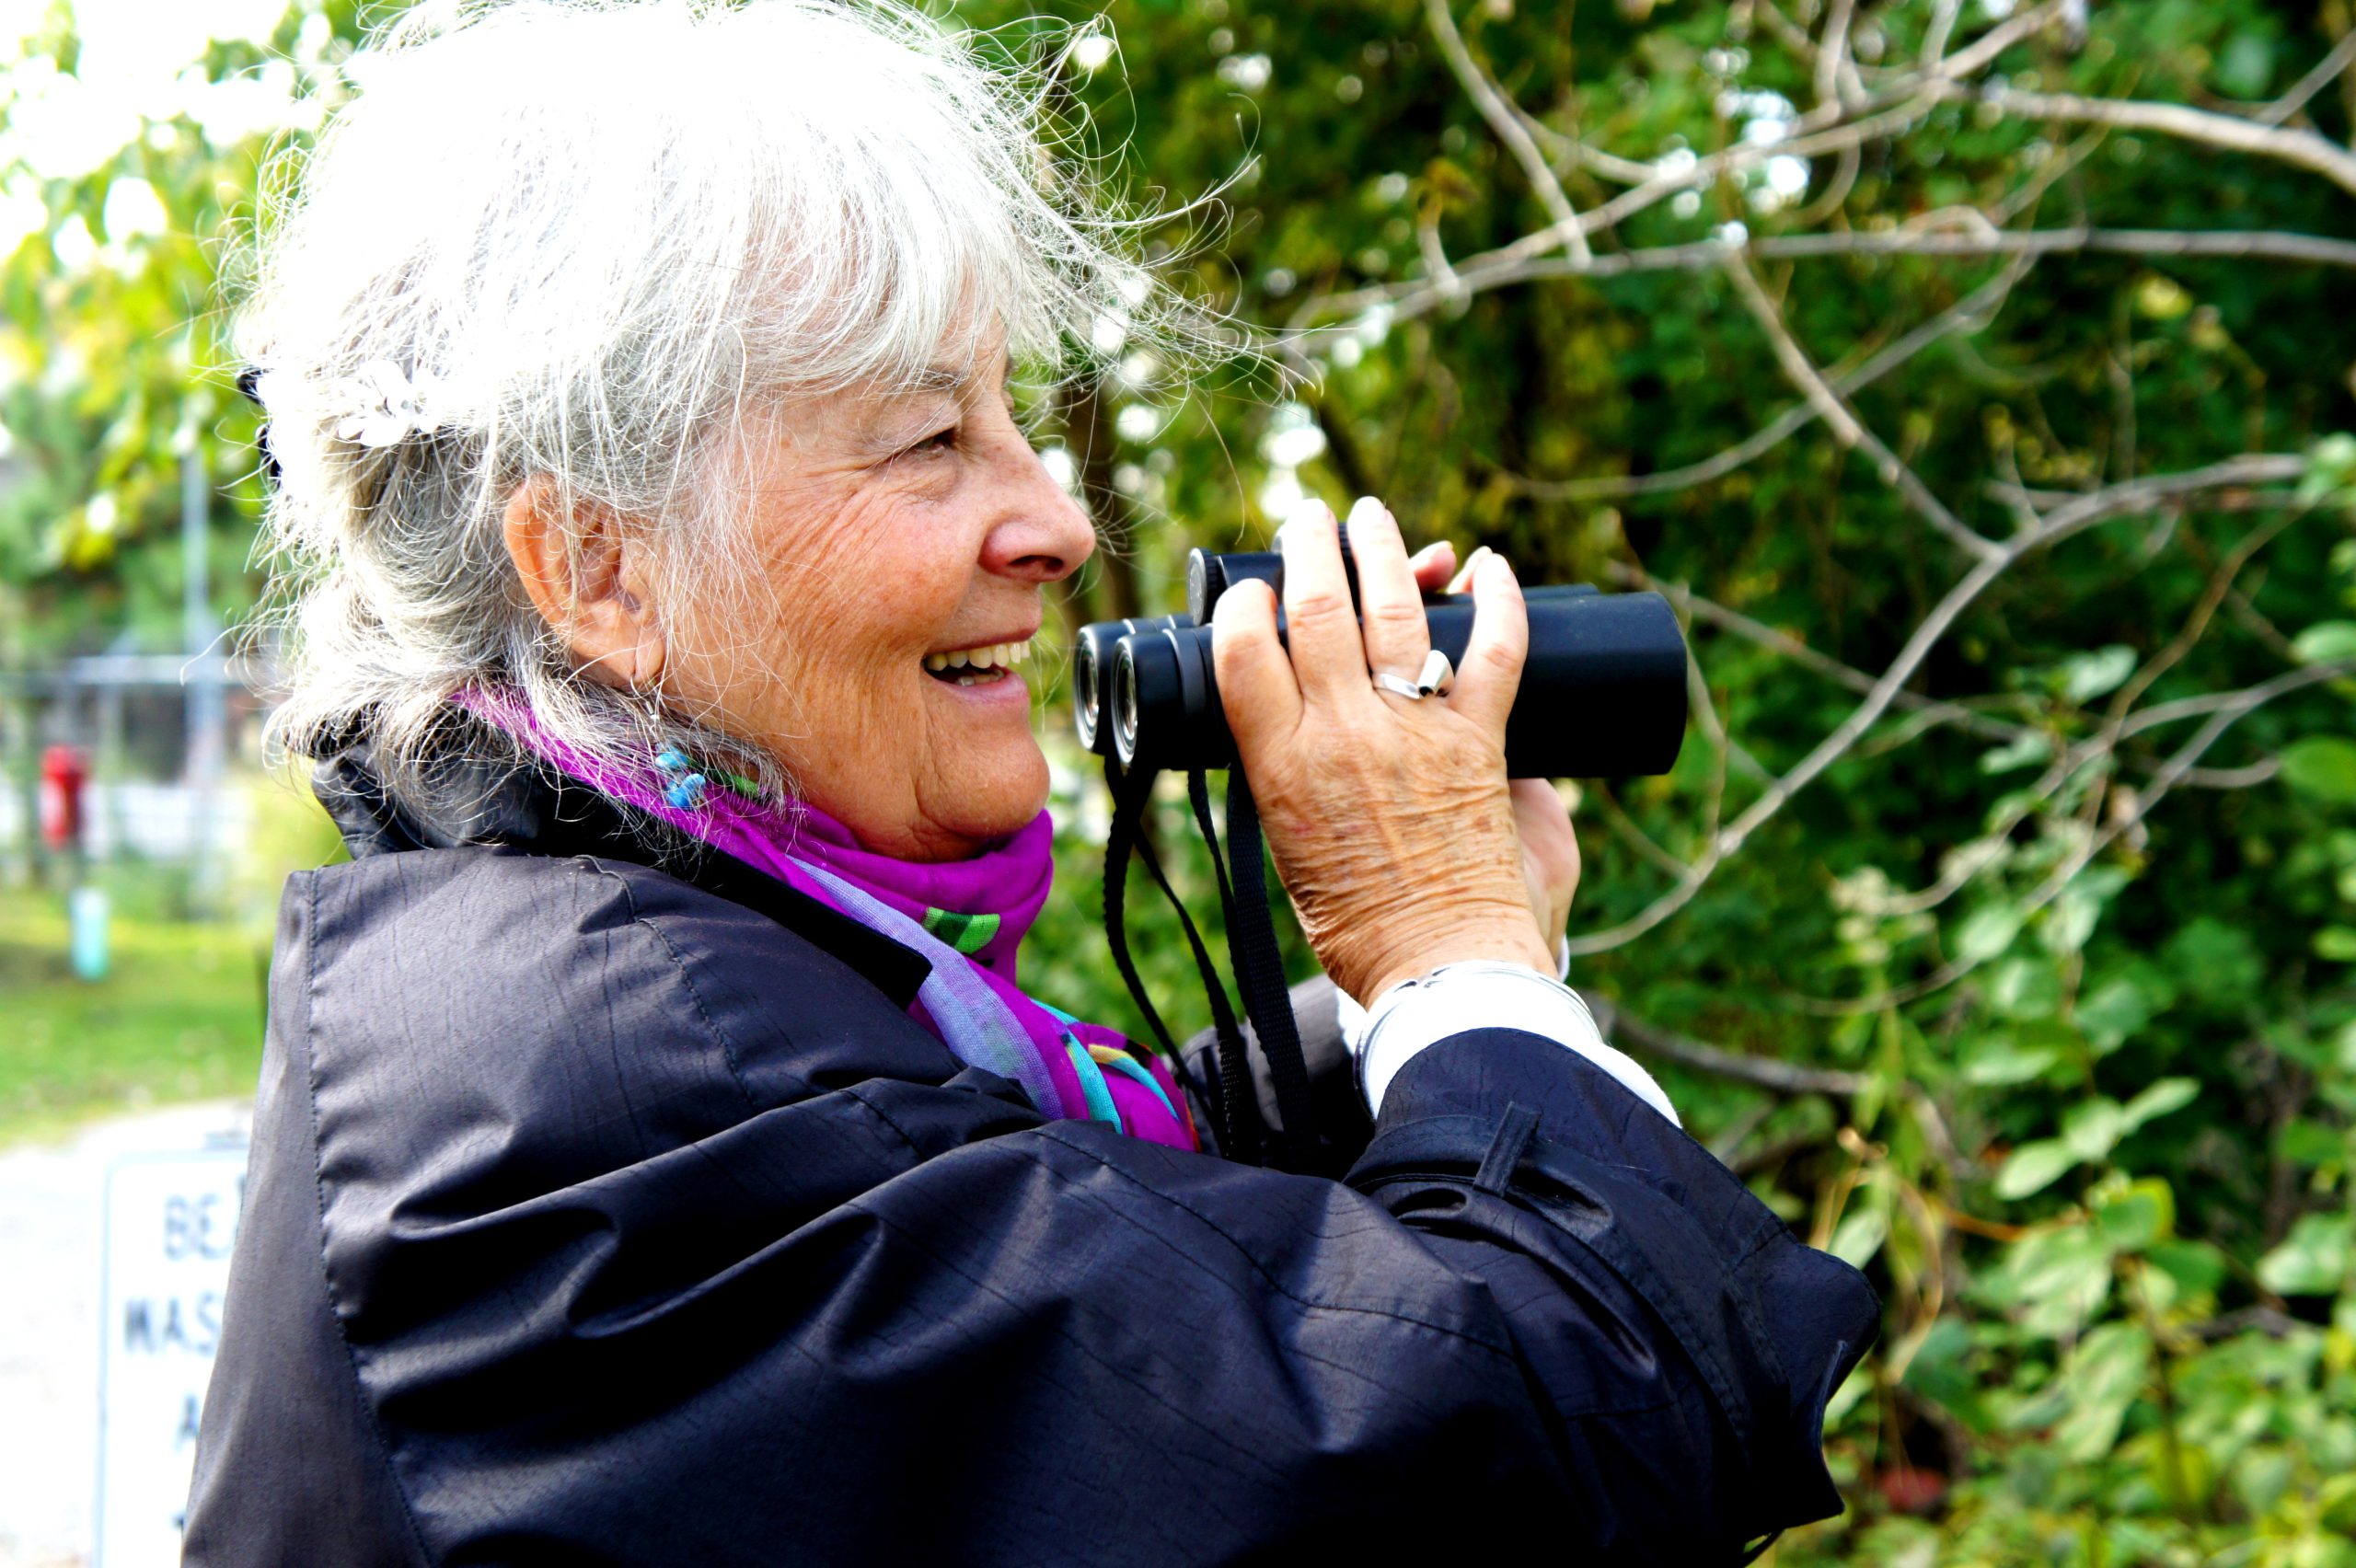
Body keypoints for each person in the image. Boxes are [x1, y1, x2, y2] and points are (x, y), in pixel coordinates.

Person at [184, 2, 1877, 1562]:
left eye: (1016, 419)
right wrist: (1452, 959)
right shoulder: (608, 1091)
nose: (1057, 524)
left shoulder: (573, 983)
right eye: (931, 441)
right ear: (602, 572)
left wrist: (1407, 976)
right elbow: (1518, 1449)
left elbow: (1056, 1240)